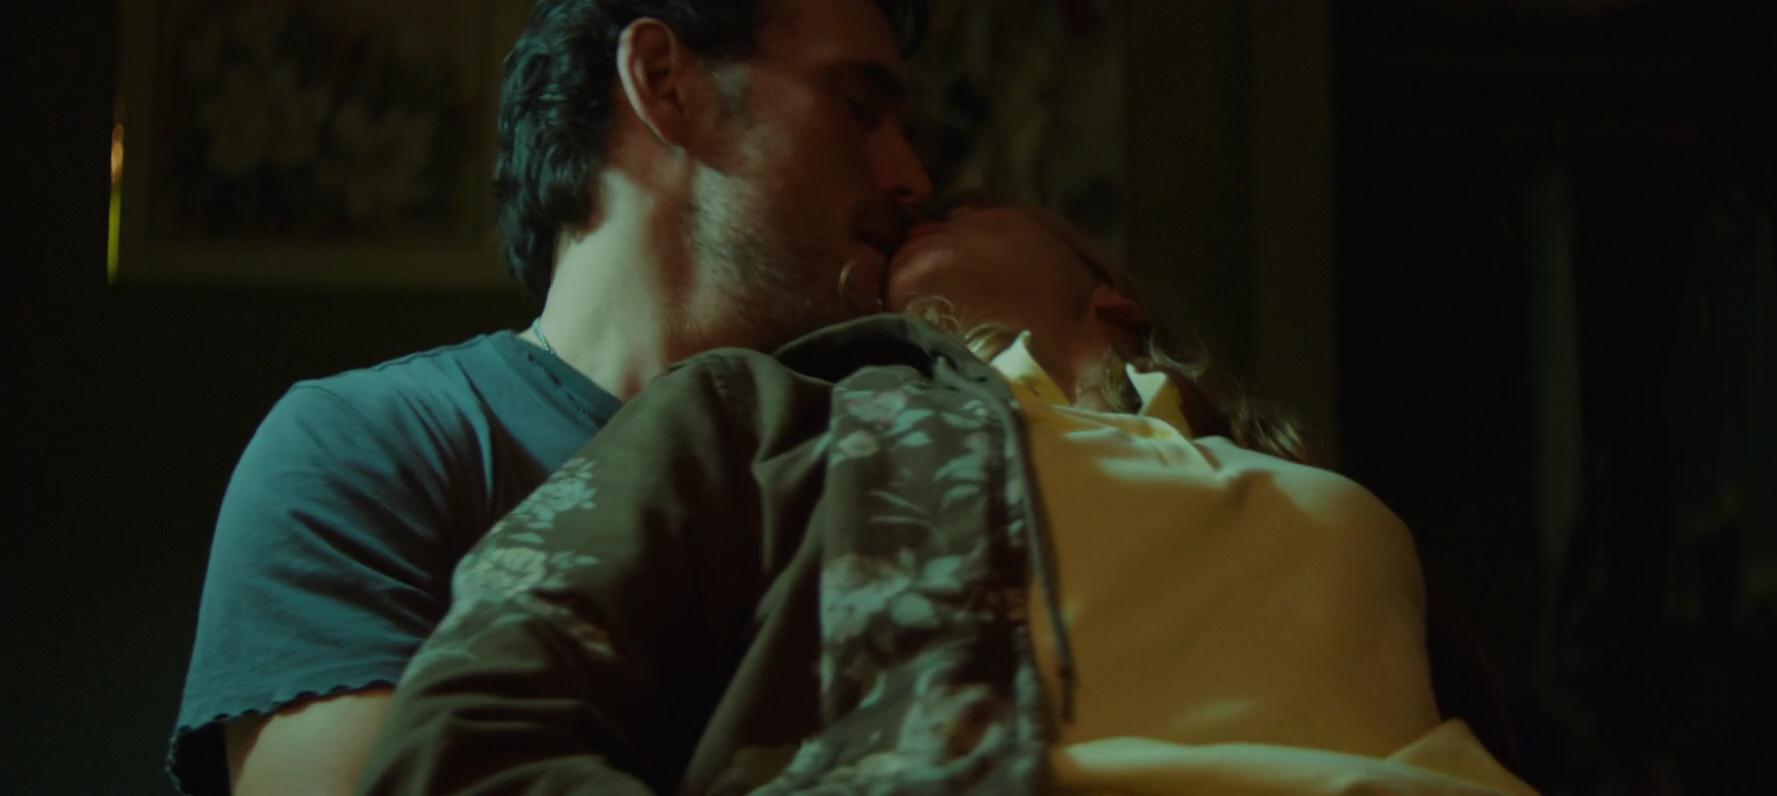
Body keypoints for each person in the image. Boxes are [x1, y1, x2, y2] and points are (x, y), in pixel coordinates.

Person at [357, 203, 1537, 794]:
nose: (908, 205)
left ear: (1108, 298)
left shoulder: (1320, 496)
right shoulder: (769, 418)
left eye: (958, 207)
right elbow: (473, 733)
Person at [168, 1, 931, 793]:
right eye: (858, 108)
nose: (912, 178)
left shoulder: (897, 463)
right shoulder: (372, 448)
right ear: (665, 83)